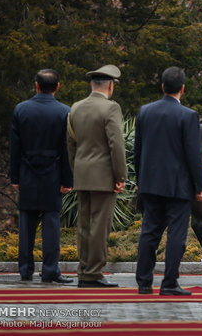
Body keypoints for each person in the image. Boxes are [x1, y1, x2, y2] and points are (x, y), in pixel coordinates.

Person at [134, 67, 202, 296]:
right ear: (182, 89)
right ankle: (169, 283)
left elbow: (138, 150)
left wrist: (139, 179)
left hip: (150, 182)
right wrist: (200, 186)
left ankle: (144, 282)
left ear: (162, 87)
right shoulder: (188, 115)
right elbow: (193, 154)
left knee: (149, 232)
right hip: (178, 185)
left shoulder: (144, 112)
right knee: (176, 234)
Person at [9, 69, 74, 284]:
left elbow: (15, 148)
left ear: (36, 85)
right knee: (51, 225)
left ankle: (25, 270)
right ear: (57, 86)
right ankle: (50, 271)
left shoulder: (21, 110)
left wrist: (15, 177)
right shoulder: (65, 111)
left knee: (26, 224)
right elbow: (67, 150)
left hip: (27, 172)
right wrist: (67, 179)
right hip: (53, 174)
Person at [67, 64, 127, 288]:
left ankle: (84, 270)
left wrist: (77, 170)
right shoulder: (111, 108)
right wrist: (120, 176)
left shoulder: (76, 107)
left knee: (84, 226)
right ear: (110, 86)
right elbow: (116, 145)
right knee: (100, 226)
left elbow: (71, 144)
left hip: (82, 174)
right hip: (103, 176)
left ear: (92, 85)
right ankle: (93, 273)